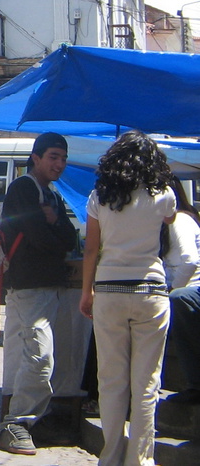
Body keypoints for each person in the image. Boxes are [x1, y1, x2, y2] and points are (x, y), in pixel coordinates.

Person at [80, 130, 176, 466]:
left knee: (111, 381)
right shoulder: (163, 194)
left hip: (108, 290)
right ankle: (140, 460)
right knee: (146, 383)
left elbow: (92, 248)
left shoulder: (99, 197)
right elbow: (169, 220)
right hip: (151, 290)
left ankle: (110, 457)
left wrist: (86, 291)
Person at [0, 132, 77, 455]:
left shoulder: (52, 195)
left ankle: (30, 420)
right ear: (36, 157)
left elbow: (69, 238)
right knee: (39, 357)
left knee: (38, 358)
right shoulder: (24, 189)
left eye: (63, 158)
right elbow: (42, 238)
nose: (59, 164)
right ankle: (15, 423)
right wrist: (55, 230)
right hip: (28, 285)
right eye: (54, 157)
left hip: (49, 287)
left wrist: (55, 222)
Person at [162, 176, 200, 404]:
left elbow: (189, 262)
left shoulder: (180, 221)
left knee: (178, 299)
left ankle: (195, 382)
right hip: (181, 290)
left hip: (192, 290)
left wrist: (171, 290)